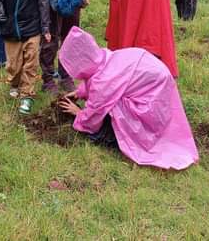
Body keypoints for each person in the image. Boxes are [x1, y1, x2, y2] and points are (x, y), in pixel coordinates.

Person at [57, 27, 199, 170]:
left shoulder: (104, 82)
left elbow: (94, 114)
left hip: (150, 104)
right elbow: (96, 76)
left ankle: (114, 138)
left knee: (105, 120)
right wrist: (80, 92)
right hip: (157, 94)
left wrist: (78, 113)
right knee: (112, 99)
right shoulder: (106, 57)